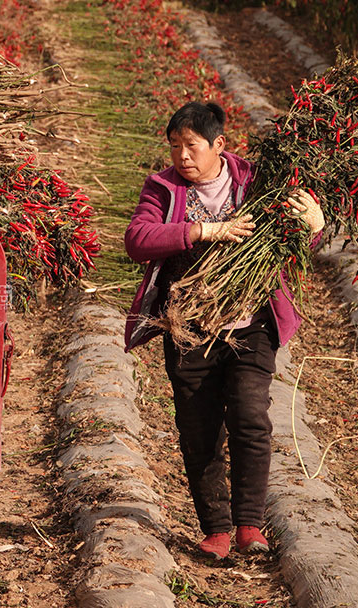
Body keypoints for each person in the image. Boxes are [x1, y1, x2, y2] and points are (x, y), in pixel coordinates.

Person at [123, 101, 323, 560]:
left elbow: (291, 237)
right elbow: (138, 239)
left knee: (251, 417)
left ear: (219, 145)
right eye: (175, 148)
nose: (182, 157)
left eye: (191, 147)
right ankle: (215, 529)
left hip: (249, 324)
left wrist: (315, 227)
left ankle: (250, 524)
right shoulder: (163, 188)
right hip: (189, 327)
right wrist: (201, 231)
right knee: (199, 429)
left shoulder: (255, 183)